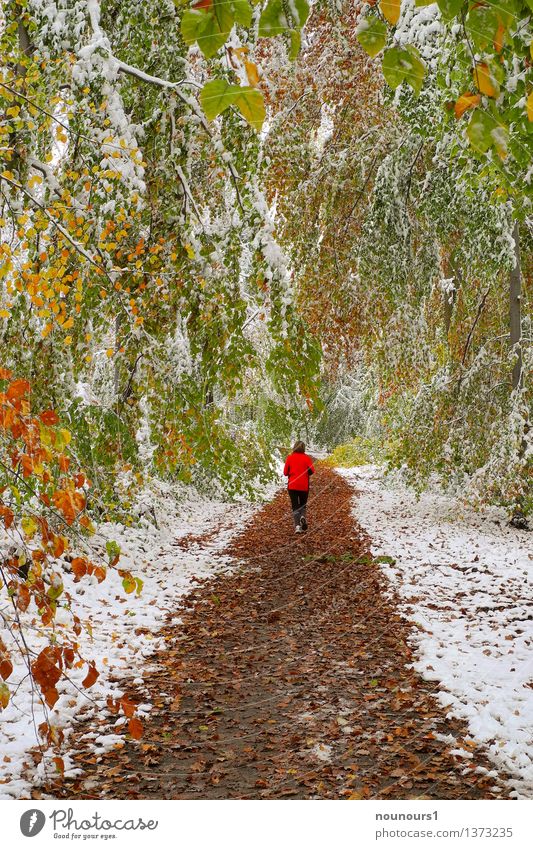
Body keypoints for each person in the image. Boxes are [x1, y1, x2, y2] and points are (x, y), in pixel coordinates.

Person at [283, 440, 315, 533]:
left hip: (292, 485)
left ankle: (297, 526)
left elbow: (285, 473)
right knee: (303, 505)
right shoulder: (306, 458)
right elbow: (312, 471)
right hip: (304, 486)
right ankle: (302, 517)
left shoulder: (290, 457)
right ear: (303, 448)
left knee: (295, 506)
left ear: (294, 447)